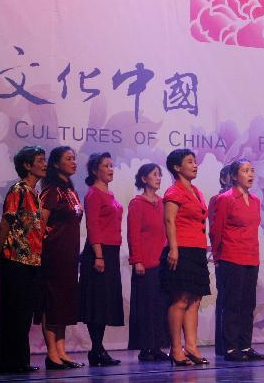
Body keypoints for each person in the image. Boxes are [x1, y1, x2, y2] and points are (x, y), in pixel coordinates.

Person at [0, 146, 46, 373]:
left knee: (24, 313)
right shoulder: (18, 190)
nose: (44, 164)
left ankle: (20, 361)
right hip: (15, 259)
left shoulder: (34, 193)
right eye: (40, 160)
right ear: (27, 165)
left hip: (32, 259)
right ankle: (10, 361)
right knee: (13, 312)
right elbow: (5, 223)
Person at [210, 159, 264, 361]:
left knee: (248, 304)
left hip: (251, 257)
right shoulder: (225, 199)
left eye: (252, 170)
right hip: (231, 256)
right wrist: (217, 257)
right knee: (232, 304)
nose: (250, 174)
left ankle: (245, 345)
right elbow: (216, 230)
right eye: (245, 171)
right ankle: (231, 347)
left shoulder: (256, 200)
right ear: (234, 176)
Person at [161, 148, 210, 366]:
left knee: (195, 299)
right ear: (177, 167)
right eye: (190, 162)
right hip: (181, 249)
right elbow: (170, 221)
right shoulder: (174, 191)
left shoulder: (196, 191)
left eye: (195, 161)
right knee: (180, 300)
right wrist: (173, 248)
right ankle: (175, 348)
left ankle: (191, 345)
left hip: (197, 249)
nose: (195, 165)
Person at [38, 146, 84, 370]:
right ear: (56, 164)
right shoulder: (51, 190)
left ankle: (62, 350)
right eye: (68, 159)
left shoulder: (71, 190)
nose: (73, 162)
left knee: (64, 302)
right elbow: (41, 223)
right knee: (51, 302)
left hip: (69, 255)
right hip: (53, 254)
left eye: (74, 158)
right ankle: (52, 353)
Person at [78, 152, 124, 366]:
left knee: (105, 302)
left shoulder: (110, 194)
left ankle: (98, 349)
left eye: (112, 165)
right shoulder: (93, 194)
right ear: (95, 170)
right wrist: (98, 255)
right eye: (106, 165)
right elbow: (93, 226)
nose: (111, 169)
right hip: (99, 252)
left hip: (112, 252)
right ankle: (96, 349)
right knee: (97, 302)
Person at [127, 163, 170, 361]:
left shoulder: (162, 203)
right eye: (154, 175)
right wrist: (137, 260)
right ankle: (145, 348)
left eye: (160, 175)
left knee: (160, 306)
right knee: (145, 307)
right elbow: (133, 234)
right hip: (145, 263)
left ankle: (157, 346)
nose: (159, 178)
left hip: (162, 263)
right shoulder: (137, 203)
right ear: (144, 179)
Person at [211, 165, 231, 356]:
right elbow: (215, 229)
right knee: (226, 299)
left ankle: (240, 343)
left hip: (242, 256)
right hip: (225, 257)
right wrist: (217, 256)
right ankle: (224, 345)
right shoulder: (217, 200)